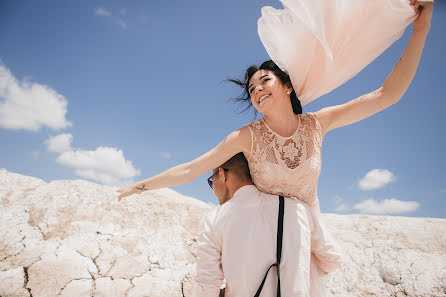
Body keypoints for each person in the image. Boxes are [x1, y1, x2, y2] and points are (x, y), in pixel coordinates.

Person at [193, 153, 341, 296]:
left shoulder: (214, 219)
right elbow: (333, 260)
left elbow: (207, 282)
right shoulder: (298, 209)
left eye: (211, 181)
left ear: (222, 174)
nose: (213, 188)